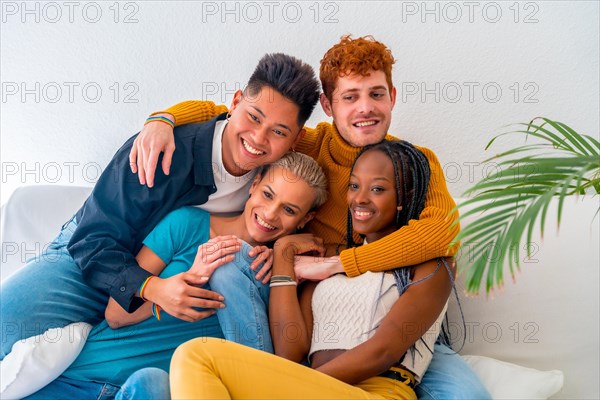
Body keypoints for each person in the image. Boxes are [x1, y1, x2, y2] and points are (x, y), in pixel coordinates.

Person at [132, 35, 490, 399]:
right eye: (350, 97)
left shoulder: (413, 163)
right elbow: (234, 115)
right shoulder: (307, 144)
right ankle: (258, 378)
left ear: (392, 97)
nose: (365, 108)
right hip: (317, 314)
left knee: (469, 396)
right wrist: (163, 119)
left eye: (376, 94)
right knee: (234, 259)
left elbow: (441, 235)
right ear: (328, 105)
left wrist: (339, 262)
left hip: (395, 320)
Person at [0, 53, 321, 357]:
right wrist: (152, 288)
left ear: (295, 139)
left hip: (173, 281)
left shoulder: (276, 175)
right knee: (6, 323)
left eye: (278, 132)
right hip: (93, 261)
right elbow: (92, 238)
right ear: (235, 103)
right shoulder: (162, 149)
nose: (259, 138)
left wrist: (281, 247)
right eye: (253, 117)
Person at [24, 152, 329, 399]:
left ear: (306, 219)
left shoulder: (275, 271)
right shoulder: (185, 224)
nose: (271, 213)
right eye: (267, 194)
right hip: (80, 377)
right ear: (254, 184)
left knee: (153, 382)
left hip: (144, 391)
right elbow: (116, 315)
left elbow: (290, 356)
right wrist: (189, 279)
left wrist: (286, 252)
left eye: (289, 210)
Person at [169, 140, 451, 400]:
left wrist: (290, 387)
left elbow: (383, 351)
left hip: (377, 391)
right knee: (182, 365)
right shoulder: (327, 261)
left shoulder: (431, 264)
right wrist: (283, 255)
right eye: (354, 187)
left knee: (197, 355)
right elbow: (291, 350)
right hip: (311, 388)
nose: (360, 199)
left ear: (403, 196)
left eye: (377, 189)